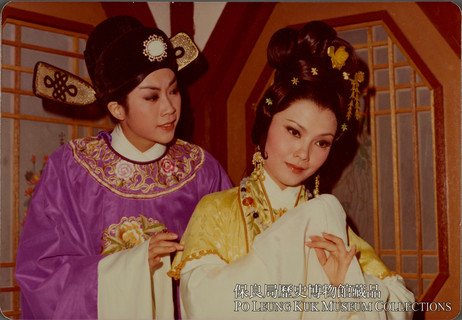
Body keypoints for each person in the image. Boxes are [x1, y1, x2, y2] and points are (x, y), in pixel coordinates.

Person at [170, 21, 415, 319]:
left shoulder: (325, 220)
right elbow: (203, 304)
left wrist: (348, 285)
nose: (304, 154)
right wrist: (289, 245)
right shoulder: (216, 211)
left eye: (322, 143)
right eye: (294, 132)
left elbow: (401, 302)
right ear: (265, 125)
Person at [15, 16, 232, 319]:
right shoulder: (72, 169)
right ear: (117, 107)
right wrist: (135, 266)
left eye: (174, 90)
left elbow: (232, 262)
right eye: (151, 96)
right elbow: (42, 275)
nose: (169, 107)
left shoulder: (202, 170)